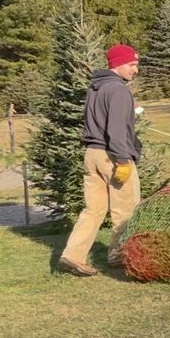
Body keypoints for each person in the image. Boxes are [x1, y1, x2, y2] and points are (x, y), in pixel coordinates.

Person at [58, 44, 143, 277]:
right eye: (132, 65)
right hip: (112, 157)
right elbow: (115, 131)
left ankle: (72, 256)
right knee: (125, 209)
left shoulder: (96, 87)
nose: (135, 70)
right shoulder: (117, 90)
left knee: (93, 210)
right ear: (117, 64)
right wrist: (124, 161)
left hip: (92, 154)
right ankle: (120, 256)